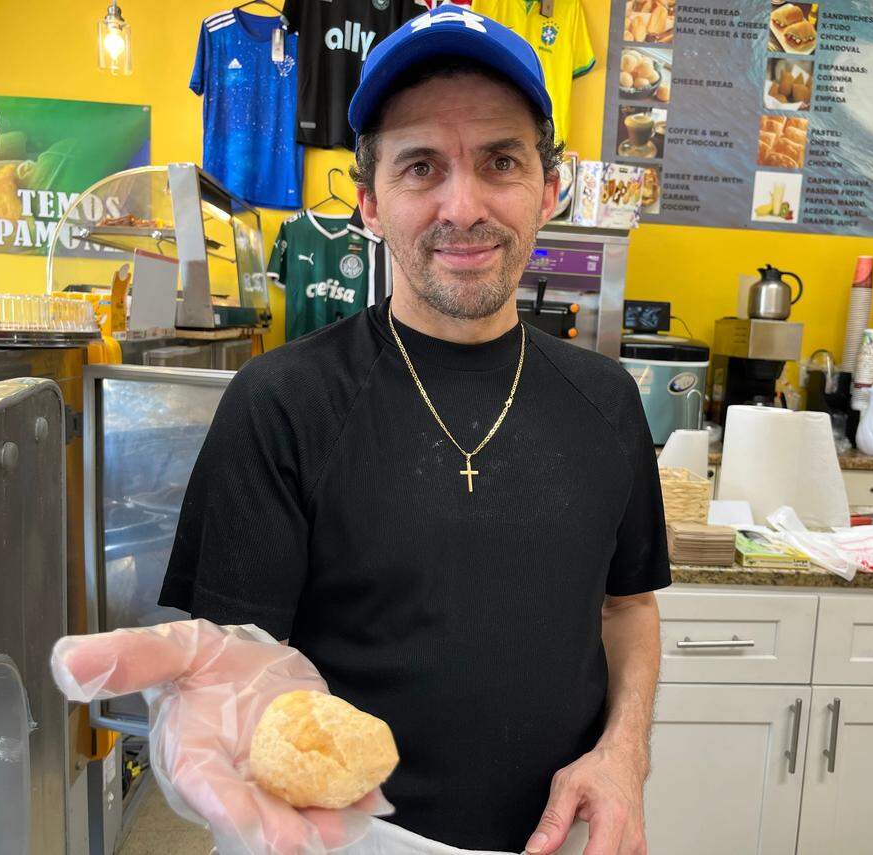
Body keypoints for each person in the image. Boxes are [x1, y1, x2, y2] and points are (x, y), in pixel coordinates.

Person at [119, 8, 668, 853]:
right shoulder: (282, 402)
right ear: (370, 203)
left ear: (547, 189)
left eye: (501, 161)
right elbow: (232, 665)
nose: (464, 205)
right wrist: (206, 731)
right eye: (421, 167)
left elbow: (628, 607)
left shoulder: (607, 401)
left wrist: (624, 754)